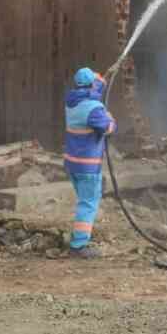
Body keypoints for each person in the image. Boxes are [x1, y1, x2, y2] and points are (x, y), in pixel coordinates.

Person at [62, 67, 115, 259]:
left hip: (73, 164)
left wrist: (98, 81)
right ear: (92, 85)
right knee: (88, 203)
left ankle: (79, 239)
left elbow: (92, 94)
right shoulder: (94, 108)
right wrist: (111, 119)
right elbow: (107, 128)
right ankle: (78, 246)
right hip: (88, 166)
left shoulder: (72, 103)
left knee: (84, 201)